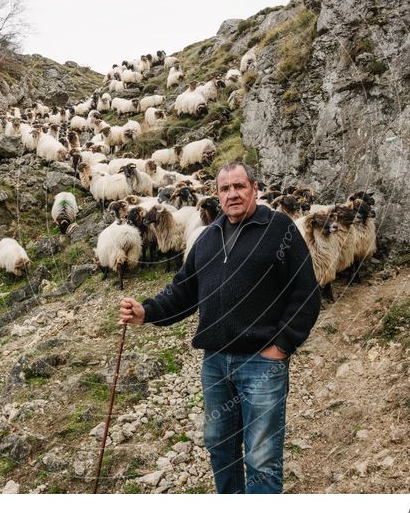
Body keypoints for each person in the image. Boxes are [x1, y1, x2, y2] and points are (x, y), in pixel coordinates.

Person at [119, 162, 320, 493]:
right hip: (215, 364)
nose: (232, 194)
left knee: (262, 457)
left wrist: (281, 346)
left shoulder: (279, 228)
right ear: (217, 195)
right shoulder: (207, 239)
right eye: (225, 189)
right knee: (220, 449)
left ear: (254, 189)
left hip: (262, 363)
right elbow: (183, 291)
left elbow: (306, 293)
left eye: (239, 186)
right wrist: (147, 311)